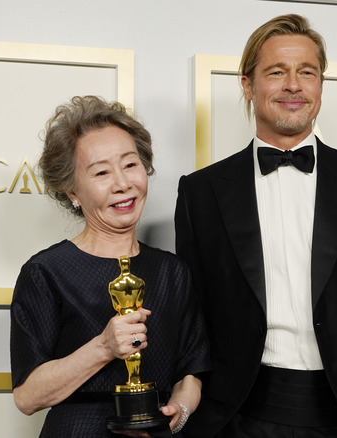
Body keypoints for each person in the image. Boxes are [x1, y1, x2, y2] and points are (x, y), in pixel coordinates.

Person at [174, 14, 337, 438]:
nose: (294, 85)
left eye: (306, 72)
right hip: (239, 416)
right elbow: (192, 319)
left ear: (320, 86)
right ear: (247, 85)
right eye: (277, 72)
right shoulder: (201, 193)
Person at [11, 95, 209, 437]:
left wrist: (182, 409)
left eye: (130, 165)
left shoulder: (172, 272)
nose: (122, 184)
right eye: (101, 172)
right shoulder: (45, 272)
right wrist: (103, 347)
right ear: (72, 190)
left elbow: (191, 372)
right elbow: (27, 397)